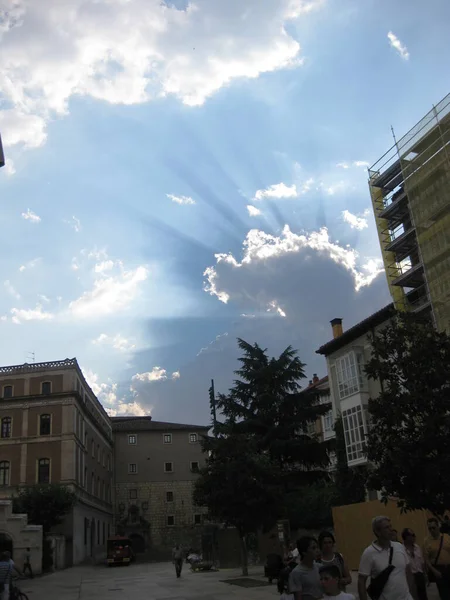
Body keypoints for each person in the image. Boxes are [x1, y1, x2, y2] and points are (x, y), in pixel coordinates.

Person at [358, 516, 416, 600]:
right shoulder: (369, 553)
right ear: (378, 532)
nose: (391, 529)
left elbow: (408, 571)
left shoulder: (399, 546)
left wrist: (411, 594)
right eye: (386, 527)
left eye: (390, 526)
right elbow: (361, 581)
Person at [423, 517, 450, 600]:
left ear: (438, 527)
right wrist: (434, 571)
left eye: (433, 528)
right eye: (429, 528)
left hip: (449, 567)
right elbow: (426, 560)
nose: (431, 530)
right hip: (438, 569)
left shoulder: (447, 537)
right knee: (444, 594)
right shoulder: (427, 541)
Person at [402, 528, 427, 600]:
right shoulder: (401, 550)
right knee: (413, 596)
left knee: (423, 596)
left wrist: (425, 574)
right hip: (410, 577)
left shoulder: (417, 547)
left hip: (420, 575)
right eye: (412, 535)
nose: (414, 537)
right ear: (406, 537)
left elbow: (422, 562)